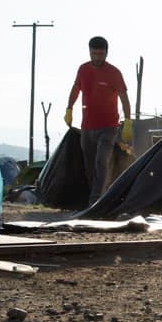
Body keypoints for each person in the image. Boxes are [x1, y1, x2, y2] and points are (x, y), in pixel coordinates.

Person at [64, 36, 132, 205]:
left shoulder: (114, 73)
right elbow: (76, 88)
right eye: (94, 54)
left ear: (106, 53)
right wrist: (69, 108)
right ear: (89, 52)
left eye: (100, 54)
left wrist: (128, 121)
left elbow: (124, 97)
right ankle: (94, 194)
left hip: (109, 126)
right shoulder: (83, 70)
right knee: (89, 164)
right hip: (87, 126)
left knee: (101, 161)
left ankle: (95, 200)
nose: (97, 57)